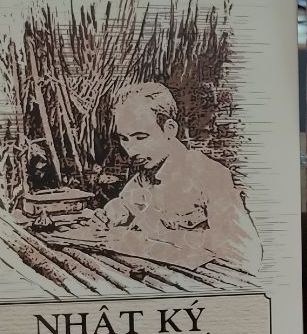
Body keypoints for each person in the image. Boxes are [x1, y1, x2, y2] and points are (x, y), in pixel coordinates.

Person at [96, 82, 262, 274]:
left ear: (169, 129)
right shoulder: (143, 176)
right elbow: (126, 208)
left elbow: (244, 253)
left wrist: (162, 236)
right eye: (124, 139)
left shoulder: (208, 175)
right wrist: (112, 213)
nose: (131, 151)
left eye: (141, 137)